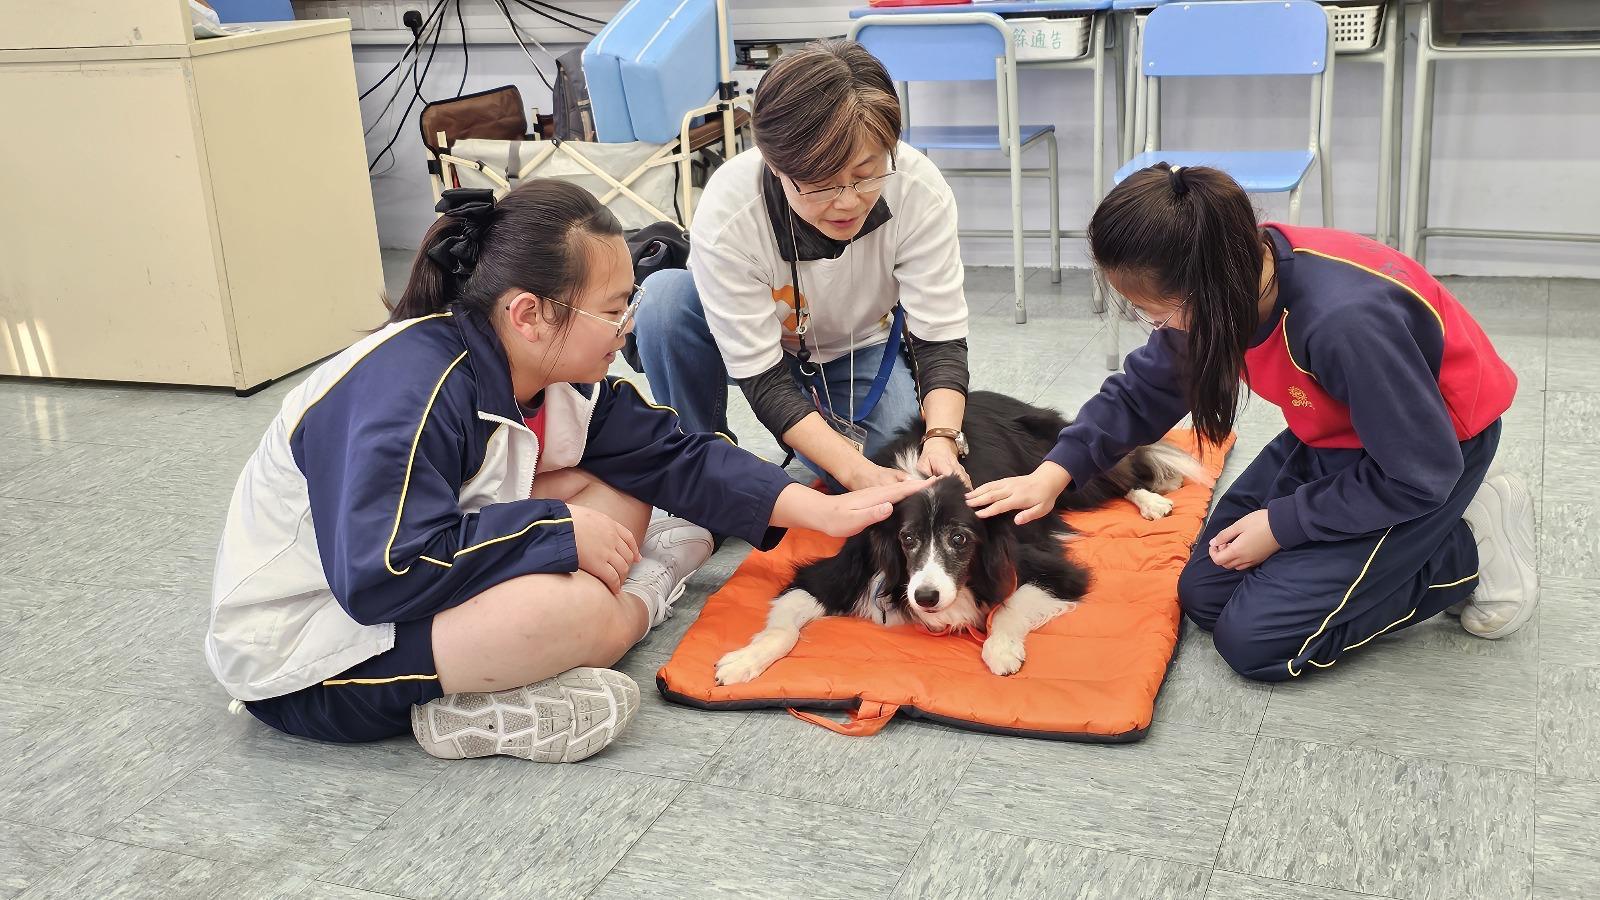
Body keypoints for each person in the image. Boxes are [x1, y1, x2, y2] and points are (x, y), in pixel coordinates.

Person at [205, 180, 929, 760]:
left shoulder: (557, 376)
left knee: (625, 487)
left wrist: (825, 506)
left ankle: (559, 631)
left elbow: (677, 457)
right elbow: (380, 573)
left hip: (420, 580)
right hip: (317, 657)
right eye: (615, 309)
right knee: (575, 606)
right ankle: (624, 607)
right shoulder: (405, 394)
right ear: (530, 315)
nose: (629, 328)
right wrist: (555, 532)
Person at [967, 163, 1537, 682]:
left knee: (1258, 643)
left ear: (1204, 288)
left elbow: (1418, 472)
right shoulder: (1232, 278)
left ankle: (1468, 549)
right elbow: (1143, 389)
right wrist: (1055, 472)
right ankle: (1397, 546)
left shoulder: (1344, 323)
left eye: (1158, 312)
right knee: (1206, 595)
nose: (1155, 326)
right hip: (1335, 433)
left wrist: (1284, 525)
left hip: (1424, 458)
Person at [634, 39, 973, 491]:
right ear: (774, 164)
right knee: (665, 302)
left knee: (898, 464)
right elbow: (765, 379)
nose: (848, 201)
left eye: (866, 173)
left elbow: (941, 338)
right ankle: (702, 467)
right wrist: (854, 471)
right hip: (750, 349)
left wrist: (942, 439)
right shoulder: (730, 210)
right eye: (821, 184)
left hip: (854, 349)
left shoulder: (918, 189)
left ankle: (821, 437)